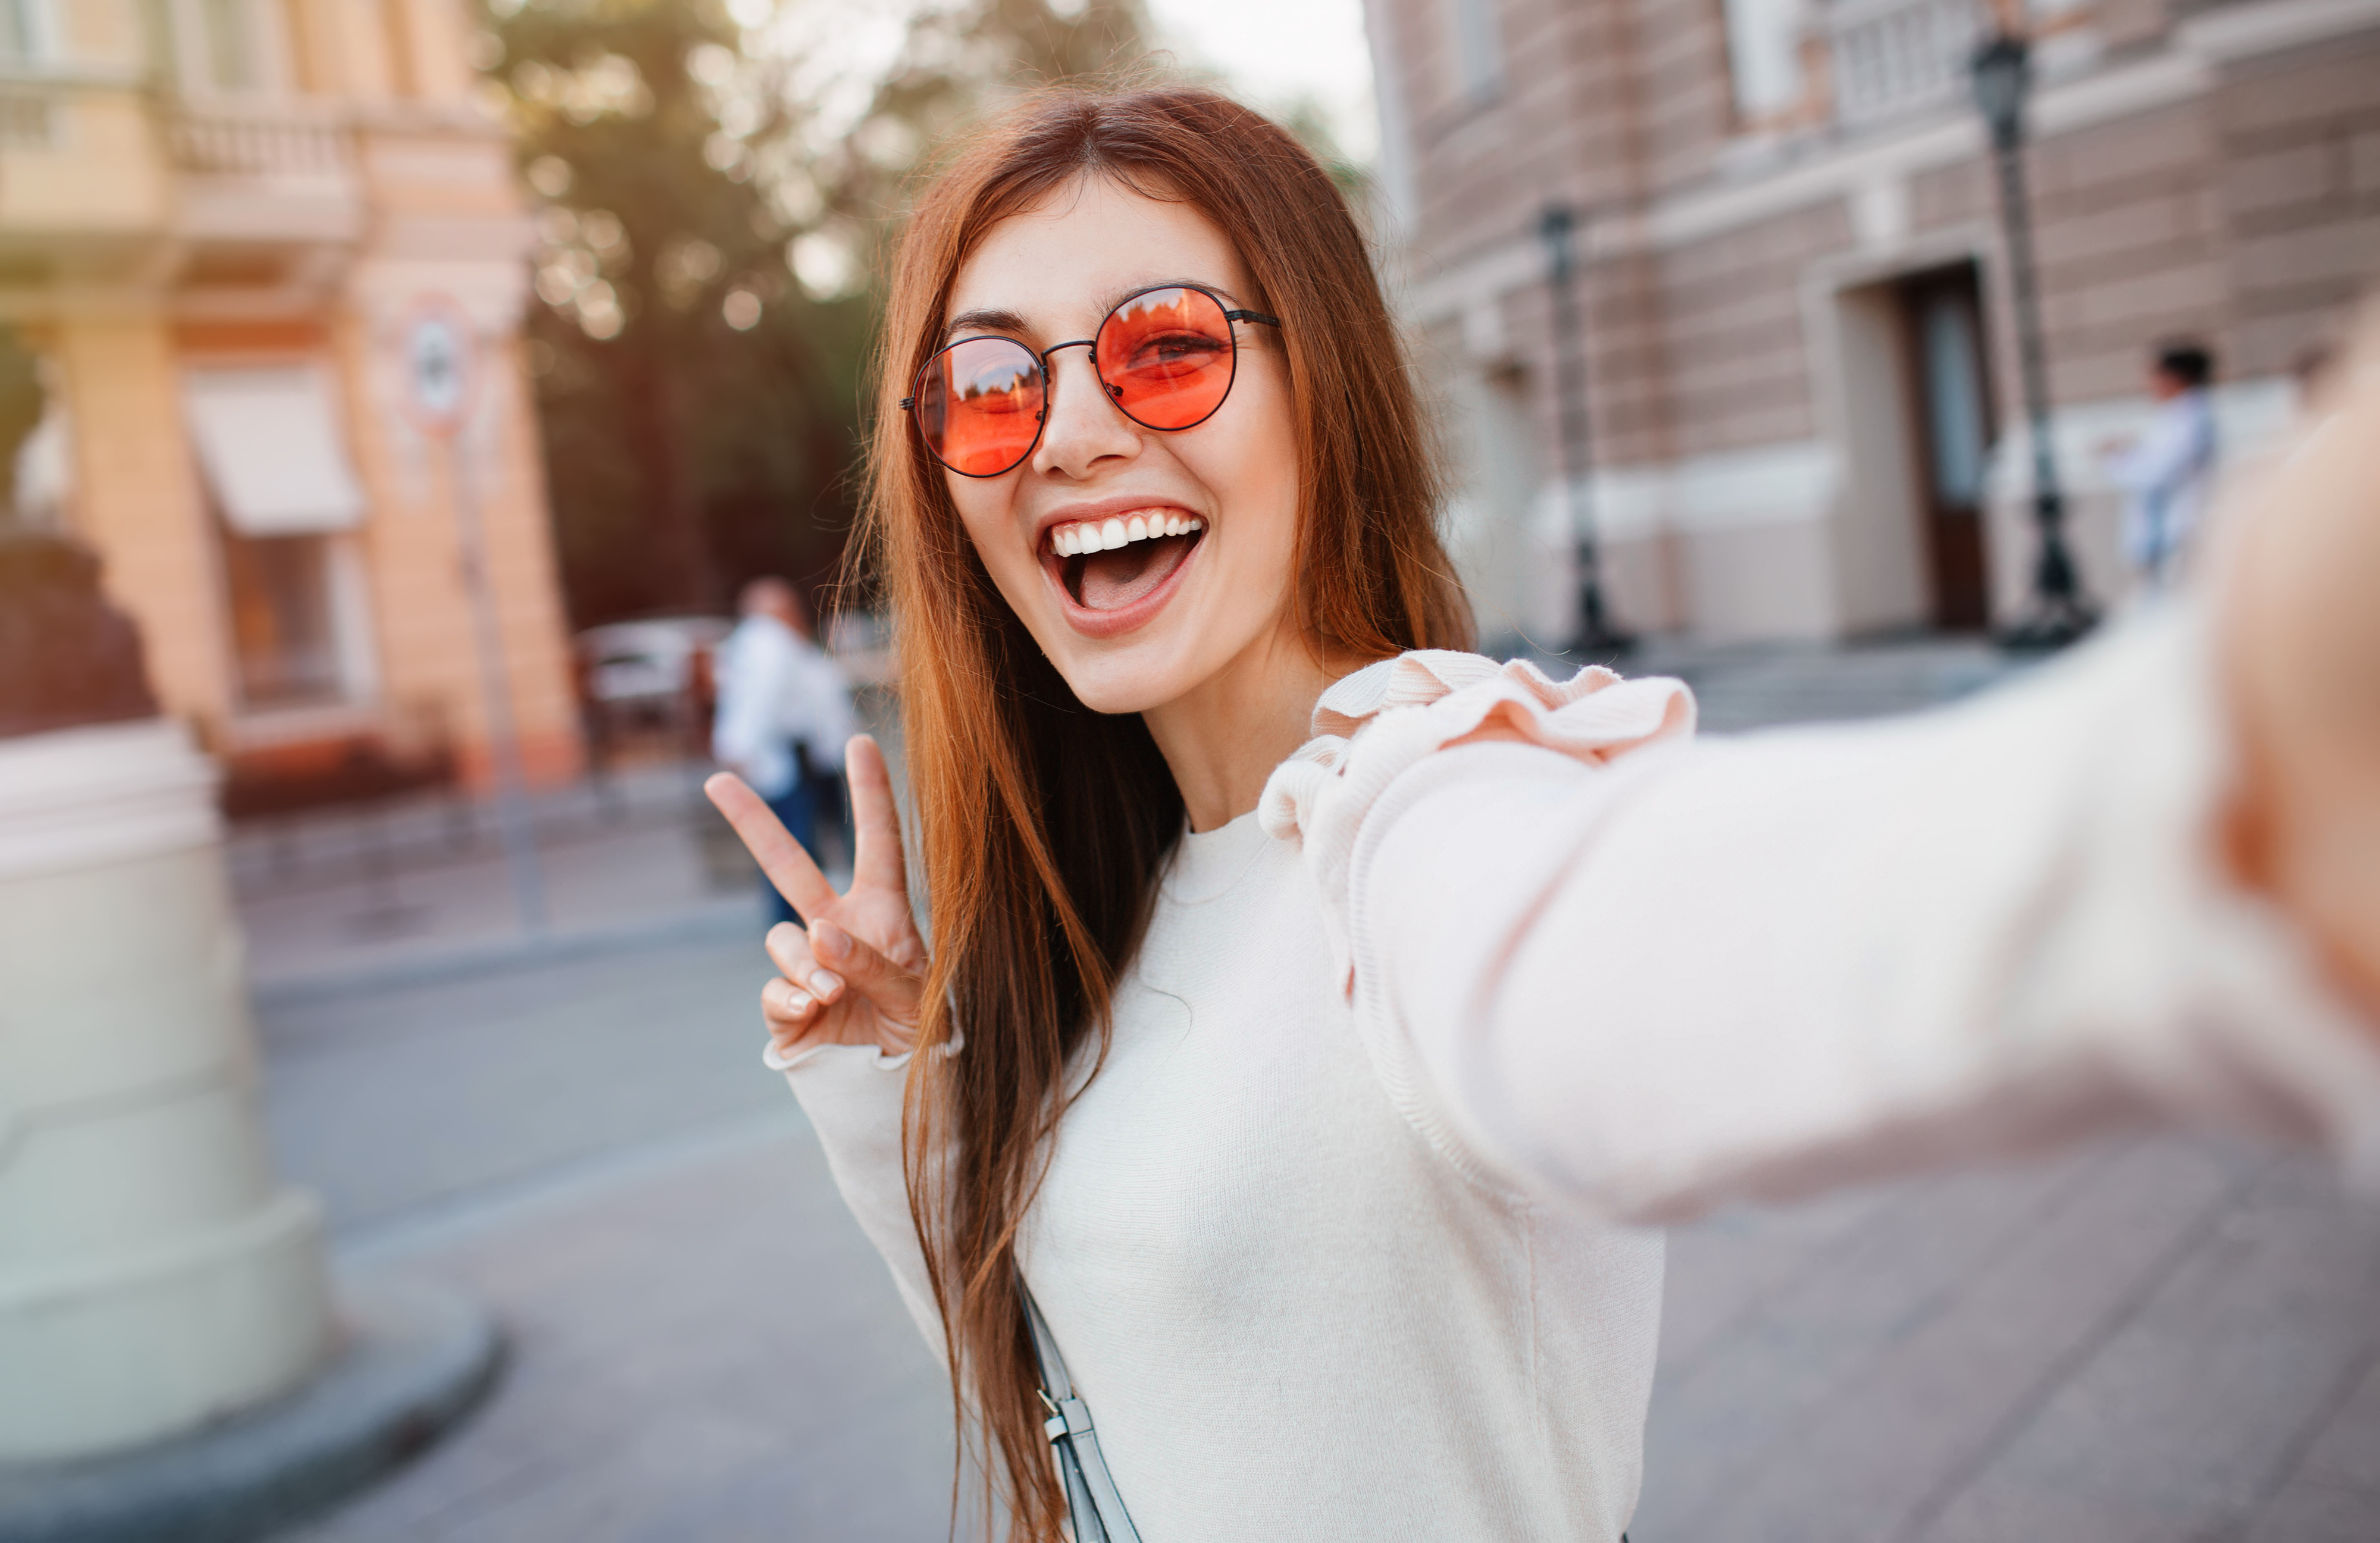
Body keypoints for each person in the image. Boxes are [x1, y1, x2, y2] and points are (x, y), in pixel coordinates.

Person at [705, 87, 2380, 1542]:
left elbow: (1635, 958)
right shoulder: (1131, 886)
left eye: (1166, 349)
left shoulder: (1424, 803)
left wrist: (2225, 768)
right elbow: (1077, 1393)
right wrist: (900, 1069)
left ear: (1323, 387)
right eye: (992, 384)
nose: (1069, 433)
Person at [710, 577, 854, 923]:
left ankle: (809, 916)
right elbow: (761, 700)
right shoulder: (768, 643)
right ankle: (796, 919)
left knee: (801, 840)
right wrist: (739, 747)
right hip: (788, 759)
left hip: (805, 757)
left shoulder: (777, 643)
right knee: (791, 843)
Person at [2105, 340, 2219, 591]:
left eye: (2154, 375)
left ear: (2174, 377)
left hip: (2179, 534)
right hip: (2167, 537)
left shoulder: (2192, 421)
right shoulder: (2176, 417)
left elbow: (2154, 474)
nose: (2148, 384)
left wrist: (2118, 457)